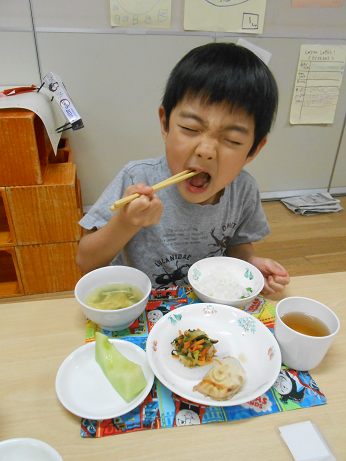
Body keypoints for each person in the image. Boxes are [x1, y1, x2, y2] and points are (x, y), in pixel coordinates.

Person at [76, 42, 290, 294]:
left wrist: (251, 264)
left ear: (253, 149)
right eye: (190, 128)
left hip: (208, 307)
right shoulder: (137, 178)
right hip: (144, 308)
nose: (206, 150)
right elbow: (85, 262)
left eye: (232, 140)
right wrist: (125, 223)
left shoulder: (243, 190)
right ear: (165, 124)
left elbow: (238, 246)